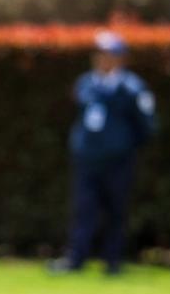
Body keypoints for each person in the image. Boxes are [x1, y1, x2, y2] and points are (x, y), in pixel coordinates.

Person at [50, 30, 155, 275]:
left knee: (116, 210)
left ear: (120, 58)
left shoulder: (132, 88)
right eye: (99, 54)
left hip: (118, 160)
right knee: (83, 209)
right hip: (87, 159)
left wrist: (123, 146)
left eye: (108, 54)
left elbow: (147, 126)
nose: (101, 59)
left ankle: (113, 262)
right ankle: (76, 259)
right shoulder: (86, 83)